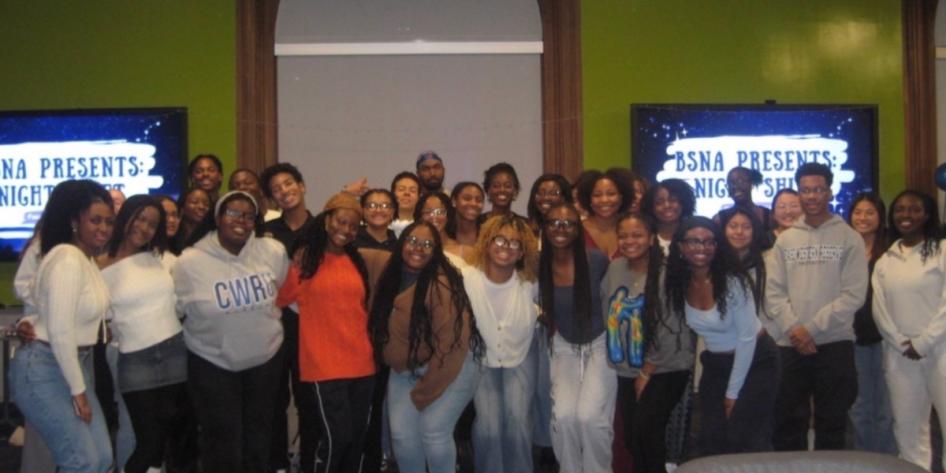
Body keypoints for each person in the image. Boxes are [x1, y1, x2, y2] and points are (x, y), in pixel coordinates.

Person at [173, 190, 289, 472]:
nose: (242, 221)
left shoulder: (272, 251)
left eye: (249, 216)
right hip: (212, 363)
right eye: (234, 214)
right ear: (218, 217)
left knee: (259, 438)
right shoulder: (189, 261)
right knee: (222, 442)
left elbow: (283, 291)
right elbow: (177, 311)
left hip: (265, 360)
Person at [276, 192, 390, 473]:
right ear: (326, 220)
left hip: (362, 365)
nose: (346, 230)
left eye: (353, 225)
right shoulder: (305, 260)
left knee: (355, 441)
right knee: (336, 439)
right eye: (341, 221)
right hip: (324, 366)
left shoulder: (356, 260)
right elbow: (281, 301)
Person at [10, 179, 115, 472]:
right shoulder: (67, 258)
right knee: (82, 461)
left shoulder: (84, 260)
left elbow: (44, 301)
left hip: (69, 364)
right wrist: (78, 390)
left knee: (102, 459)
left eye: (109, 221)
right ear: (73, 220)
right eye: (95, 220)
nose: (104, 228)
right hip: (45, 367)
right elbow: (59, 330)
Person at [765, 162, 867, 451]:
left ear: (829, 191)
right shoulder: (785, 240)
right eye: (806, 190)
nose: (811, 196)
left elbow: (853, 295)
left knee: (832, 424)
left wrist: (809, 328)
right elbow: (774, 293)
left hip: (834, 343)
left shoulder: (849, 237)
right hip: (790, 343)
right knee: (787, 423)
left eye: (818, 190)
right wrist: (795, 329)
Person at [368, 221, 482, 473]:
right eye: (412, 241)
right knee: (401, 437)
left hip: (454, 366)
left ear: (436, 251)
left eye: (428, 244)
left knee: (433, 431)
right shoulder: (389, 270)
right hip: (406, 369)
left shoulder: (441, 285)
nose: (418, 248)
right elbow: (351, 249)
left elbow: (452, 346)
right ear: (401, 243)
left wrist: (424, 392)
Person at [669, 217, 778, 454]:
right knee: (712, 439)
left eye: (709, 242)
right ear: (680, 246)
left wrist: (732, 393)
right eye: (694, 241)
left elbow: (747, 339)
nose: (702, 248)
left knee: (746, 439)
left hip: (756, 361)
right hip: (716, 364)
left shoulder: (733, 281)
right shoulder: (678, 282)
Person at [97, 195, 187, 473]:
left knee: (162, 438)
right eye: (140, 218)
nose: (144, 227)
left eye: (152, 224)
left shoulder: (163, 259)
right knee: (146, 440)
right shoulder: (97, 264)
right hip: (133, 357)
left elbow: (185, 299)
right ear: (126, 216)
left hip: (174, 351)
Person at [602, 212, 694, 473]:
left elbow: (671, 325)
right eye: (624, 236)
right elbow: (605, 311)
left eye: (637, 235)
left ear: (651, 238)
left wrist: (647, 371)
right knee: (633, 439)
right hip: (626, 369)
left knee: (647, 433)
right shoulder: (615, 268)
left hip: (664, 368)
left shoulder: (666, 273)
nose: (630, 241)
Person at [872, 190, 946, 470]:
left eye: (914, 210)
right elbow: (880, 311)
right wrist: (902, 343)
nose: (906, 215)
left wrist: (924, 342)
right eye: (900, 210)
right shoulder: (885, 260)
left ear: (926, 214)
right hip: (900, 355)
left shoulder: (942, 251)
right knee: (908, 430)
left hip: (940, 350)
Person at [462, 214, 540, 473]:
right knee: (488, 427)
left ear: (522, 252)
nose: (506, 247)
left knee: (518, 422)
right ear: (486, 242)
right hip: (482, 360)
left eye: (514, 243)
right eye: (499, 239)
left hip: (521, 357)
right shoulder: (467, 277)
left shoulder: (530, 283)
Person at [538, 203, 612, 472]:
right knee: (564, 417)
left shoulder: (596, 261)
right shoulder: (538, 265)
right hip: (564, 345)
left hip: (601, 343)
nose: (560, 229)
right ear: (544, 228)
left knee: (590, 418)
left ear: (578, 229)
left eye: (568, 223)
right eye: (554, 223)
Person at [260, 162, 318, 473]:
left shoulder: (321, 228)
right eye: (276, 190)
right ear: (272, 200)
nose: (284, 191)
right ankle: (278, 464)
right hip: (274, 325)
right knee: (274, 400)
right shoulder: (267, 233)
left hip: (312, 328)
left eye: (288, 184)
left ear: (302, 185)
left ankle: (308, 463)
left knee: (309, 400)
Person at [524, 173, 571, 466]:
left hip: (563, 322)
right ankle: (543, 451)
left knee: (559, 392)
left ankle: (560, 451)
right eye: (541, 192)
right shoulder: (525, 230)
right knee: (537, 390)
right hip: (530, 321)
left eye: (554, 192)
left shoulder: (569, 232)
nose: (547, 197)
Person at [846, 193, 897, 455]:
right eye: (858, 212)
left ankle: (887, 461)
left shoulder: (893, 251)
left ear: (880, 217)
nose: (863, 218)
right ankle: (864, 461)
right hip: (853, 338)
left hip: (888, 339)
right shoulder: (843, 250)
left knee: (886, 408)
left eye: (869, 212)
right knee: (859, 406)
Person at [578, 168, 635, 259]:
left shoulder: (633, 229)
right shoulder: (577, 231)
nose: (604, 200)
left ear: (621, 197)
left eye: (611, 194)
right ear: (589, 199)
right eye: (597, 195)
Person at [641, 178, 696, 255]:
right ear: (651, 207)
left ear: (683, 203)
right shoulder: (645, 236)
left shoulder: (694, 234)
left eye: (673, 200)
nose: (667, 206)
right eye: (659, 202)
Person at [416, 192, 466, 269]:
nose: (433, 217)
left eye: (439, 212)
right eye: (427, 212)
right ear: (420, 217)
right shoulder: (414, 249)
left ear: (448, 215)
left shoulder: (465, 251)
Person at [446, 181, 485, 264]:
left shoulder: (488, 234)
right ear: (454, 201)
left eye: (478, 200)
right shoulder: (444, 232)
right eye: (467, 198)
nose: (473, 203)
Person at [391, 171, 422, 237]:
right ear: (392, 194)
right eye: (401, 189)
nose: (407, 193)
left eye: (412, 190)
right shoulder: (382, 224)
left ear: (419, 197)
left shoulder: (424, 227)